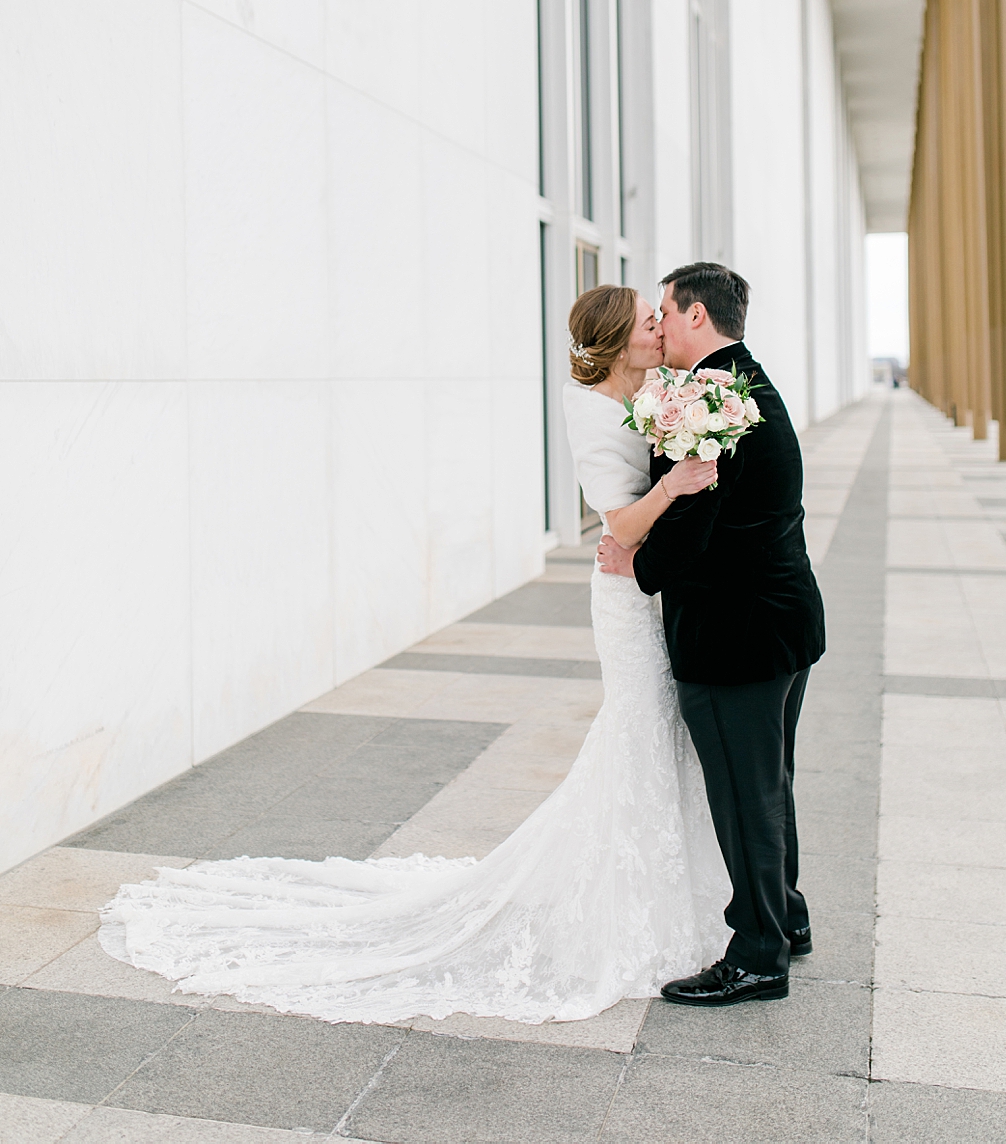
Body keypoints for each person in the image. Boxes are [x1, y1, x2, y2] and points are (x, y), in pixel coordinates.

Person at [98, 285, 729, 1026]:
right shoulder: (590, 408)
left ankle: (675, 895)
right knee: (638, 730)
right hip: (626, 603)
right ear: (620, 338)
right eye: (649, 322)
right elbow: (617, 520)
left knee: (658, 736)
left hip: (652, 593)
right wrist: (677, 486)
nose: (660, 329)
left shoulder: (653, 390)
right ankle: (631, 909)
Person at [597, 262, 825, 1006]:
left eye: (666, 310)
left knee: (742, 794)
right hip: (781, 623)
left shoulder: (703, 396)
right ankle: (784, 918)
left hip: (736, 638)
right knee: (769, 784)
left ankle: (758, 952)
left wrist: (634, 560)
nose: (659, 326)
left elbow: (693, 531)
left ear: (699, 314)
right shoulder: (748, 380)